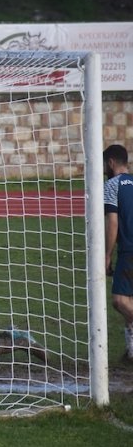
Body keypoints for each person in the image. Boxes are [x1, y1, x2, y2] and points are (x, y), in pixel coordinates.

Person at [103, 143, 133, 362]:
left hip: (129, 250)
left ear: (111, 162)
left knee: (119, 301)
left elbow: (112, 223)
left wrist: (106, 255)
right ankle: (131, 351)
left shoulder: (112, 185)